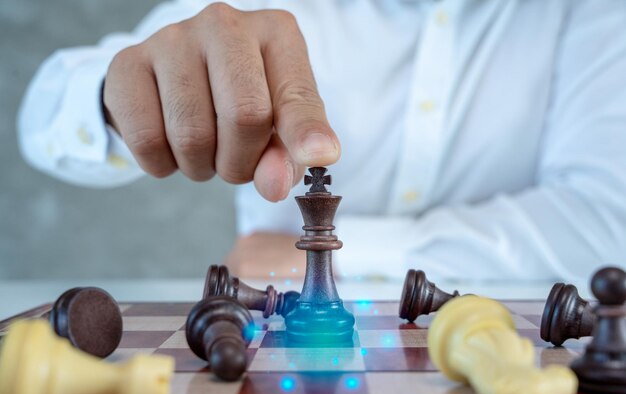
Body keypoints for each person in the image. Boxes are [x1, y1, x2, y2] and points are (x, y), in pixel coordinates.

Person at [18, 1, 626, 282]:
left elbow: (604, 226)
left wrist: (319, 253)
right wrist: (113, 99)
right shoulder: (252, 8)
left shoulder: (593, 13)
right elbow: (45, 121)